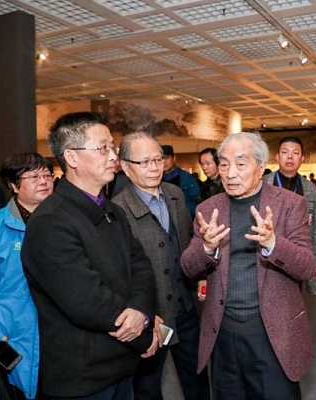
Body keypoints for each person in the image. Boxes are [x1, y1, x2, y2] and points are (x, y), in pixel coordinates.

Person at [21, 112, 158, 399]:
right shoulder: (50, 222)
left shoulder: (113, 211)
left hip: (122, 365)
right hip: (83, 376)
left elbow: (142, 267)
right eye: (103, 148)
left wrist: (141, 312)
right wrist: (143, 334)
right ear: (71, 157)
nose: (113, 156)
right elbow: (87, 302)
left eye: (112, 147)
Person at [181, 131, 316, 400]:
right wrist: (206, 247)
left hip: (272, 333)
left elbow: (307, 267)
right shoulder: (208, 209)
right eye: (224, 164)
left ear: (261, 166)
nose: (230, 173)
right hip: (222, 334)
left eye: (241, 164)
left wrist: (273, 243)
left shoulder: (290, 204)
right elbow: (188, 267)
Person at [113, 132, 210, 400]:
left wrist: (200, 275)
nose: (154, 167)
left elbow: (186, 243)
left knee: (198, 380)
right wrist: (143, 313)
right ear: (125, 166)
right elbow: (120, 272)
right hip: (151, 317)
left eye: (158, 159)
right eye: (144, 162)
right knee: (148, 386)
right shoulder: (117, 209)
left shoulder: (175, 194)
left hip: (185, 308)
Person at [0, 153, 53, 400]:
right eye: (33, 177)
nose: (43, 181)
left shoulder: (63, 225)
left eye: (47, 175)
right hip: (8, 341)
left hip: (53, 342)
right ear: (14, 186)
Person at [263, 136, 316, 295]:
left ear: (302, 159)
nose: (290, 157)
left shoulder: (309, 188)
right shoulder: (263, 183)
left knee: (294, 297)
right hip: (267, 253)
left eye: (295, 153)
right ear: (277, 157)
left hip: (297, 253)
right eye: (285, 152)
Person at [161, 145, 201, 216]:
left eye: (166, 158)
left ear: (174, 158)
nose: (164, 162)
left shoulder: (187, 178)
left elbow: (196, 202)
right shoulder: (155, 180)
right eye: (161, 159)